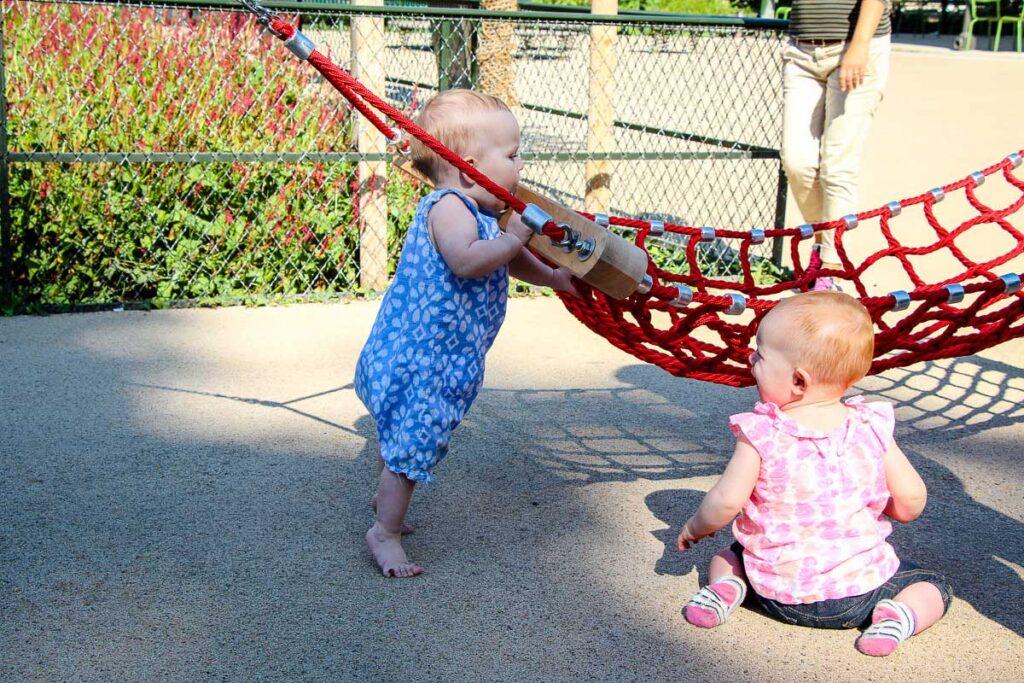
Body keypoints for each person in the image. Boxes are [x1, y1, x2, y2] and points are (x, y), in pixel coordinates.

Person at [354, 89, 578, 578]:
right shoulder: (450, 207)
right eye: (513, 156)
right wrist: (516, 234)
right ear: (468, 165)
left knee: (402, 438)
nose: (521, 165)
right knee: (413, 446)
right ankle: (385, 533)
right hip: (423, 360)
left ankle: (384, 498)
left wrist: (555, 276)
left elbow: (514, 259)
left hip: (429, 356)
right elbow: (469, 260)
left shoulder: (481, 215)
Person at [676, 291, 951, 656]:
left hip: (774, 591)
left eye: (760, 355)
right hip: (860, 593)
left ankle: (725, 590)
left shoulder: (762, 432)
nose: (750, 358)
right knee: (932, 585)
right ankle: (896, 616)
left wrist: (696, 526)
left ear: (799, 381)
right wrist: (888, 511)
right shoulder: (871, 425)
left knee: (728, 557)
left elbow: (726, 501)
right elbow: (911, 500)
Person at [782, 0, 892, 291]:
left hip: (854, 46)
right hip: (801, 51)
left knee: (838, 166)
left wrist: (860, 45)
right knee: (796, 162)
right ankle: (824, 245)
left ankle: (831, 270)